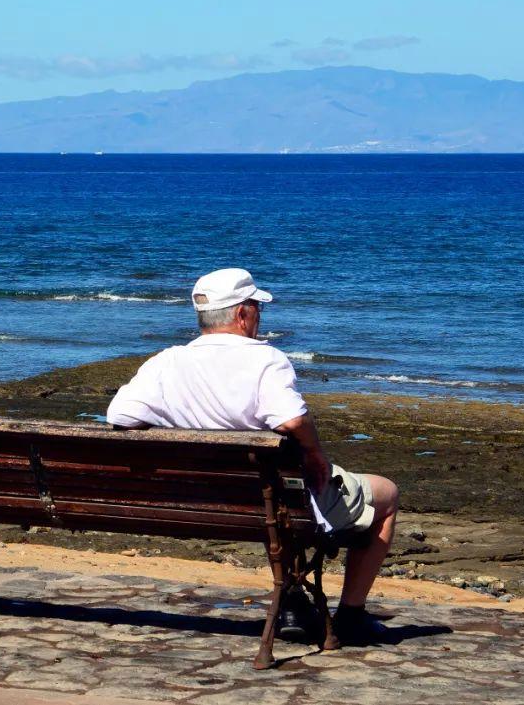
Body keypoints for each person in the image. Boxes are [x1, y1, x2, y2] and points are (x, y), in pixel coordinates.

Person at [106, 268, 398, 645]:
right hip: (268, 499)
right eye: (258, 308)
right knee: (386, 494)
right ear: (242, 314)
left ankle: (293, 601)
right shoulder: (265, 360)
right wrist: (316, 455)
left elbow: (120, 415)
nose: (260, 316)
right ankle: (352, 614)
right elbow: (292, 420)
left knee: (277, 493)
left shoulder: (167, 362)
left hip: (204, 499)